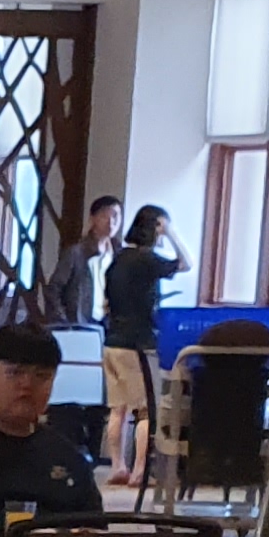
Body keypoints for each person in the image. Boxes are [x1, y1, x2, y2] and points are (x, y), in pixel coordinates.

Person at [0, 325, 107, 526]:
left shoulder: (69, 459)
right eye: (15, 372)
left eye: (41, 376)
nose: (27, 384)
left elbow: (94, 535)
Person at [101, 205, 182, 480]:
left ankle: (117, 466)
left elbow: (107, 302)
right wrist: (171, 233)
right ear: (156, 227)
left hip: (112, 341)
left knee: (117, 410)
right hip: (137, 344)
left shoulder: (119, 258)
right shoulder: (146, 259)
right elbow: (186, 263)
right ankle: (139, 470)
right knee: (145, 410)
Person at [39, 194, 121, 328]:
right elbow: (53, 289)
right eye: (105, 216)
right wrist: (64, 322)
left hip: (108, 325)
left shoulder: (119, 255)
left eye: (115, 216)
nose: (111, 222)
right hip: (79, 324)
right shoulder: (76, 253)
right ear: (92, 219)